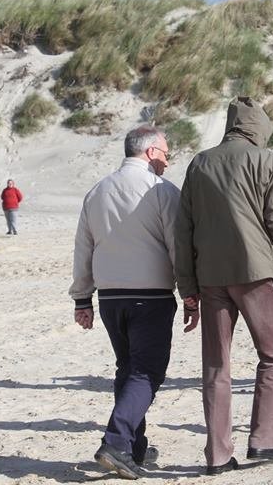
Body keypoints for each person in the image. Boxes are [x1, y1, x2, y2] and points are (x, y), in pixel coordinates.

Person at [175, 97, 273, 475]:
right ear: (258, 126)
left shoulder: (200, 163)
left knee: (216, 366)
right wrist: (272, 252)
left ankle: (217, 455)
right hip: (255, 271)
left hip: (210, 276)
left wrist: (187, 286)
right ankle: (263, 440)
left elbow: (183, 230)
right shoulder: (265, 160)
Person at [69, 126, 178, 480]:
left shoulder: (97, 190)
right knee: (147, 372)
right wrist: (191, 292)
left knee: (128, 369)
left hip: (110, 298)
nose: (167, 161)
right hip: (151, 294)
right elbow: (177, 244)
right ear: (150, 152)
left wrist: (82, 298)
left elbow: (83, 248)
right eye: (166, 154)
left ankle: (133, 447)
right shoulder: (161, 190)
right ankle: (116, 442)